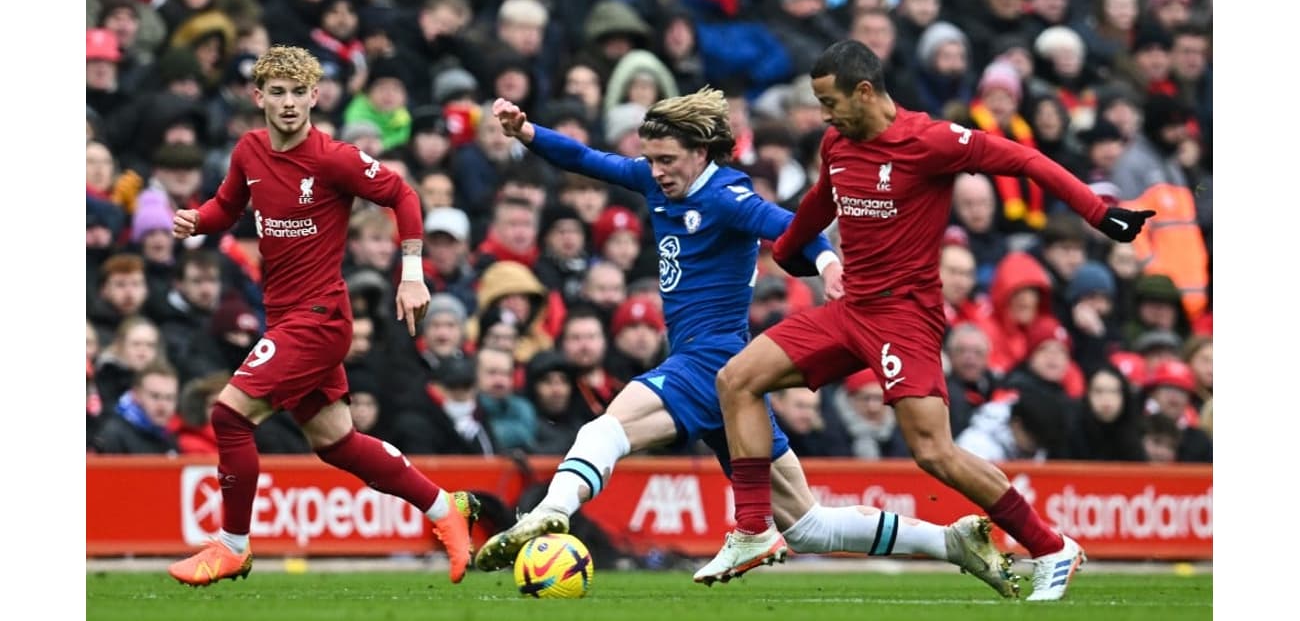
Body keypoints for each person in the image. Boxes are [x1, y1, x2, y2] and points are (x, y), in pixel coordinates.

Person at [473, 88, 1019, 599]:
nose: (656, 171)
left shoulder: (728, 194)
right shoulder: (653, 181)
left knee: (604, 429)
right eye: (652, 159)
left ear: (702, 151)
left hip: (707, 360)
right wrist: (528, 133)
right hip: (728, 377)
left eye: (667, 160)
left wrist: (827, 262)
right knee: (807, 526)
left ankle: (551, 510)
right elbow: (587, 160)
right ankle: (951, 541)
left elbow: (787, 227)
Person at [700, 40, 1156, 601]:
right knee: (736, 379)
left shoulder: (930, 141)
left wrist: (1097, 210)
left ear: (864, 91)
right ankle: (752, 530)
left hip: (904, 316)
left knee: (934, 453)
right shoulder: (838, 143)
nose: (824, 114)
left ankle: (1051, 546)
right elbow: (824, 199)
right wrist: (793, 248)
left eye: (829, 101)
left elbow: (1023, 159)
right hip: (849, 310)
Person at [165, 45, 477, 587]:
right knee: (339, 444)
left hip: (320, 318)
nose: (288, 104)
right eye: (277, 93)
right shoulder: (248, 150)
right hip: (284, 317)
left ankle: (232, 546)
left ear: (316, 96)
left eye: (298, 93)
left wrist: (410, 271)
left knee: (229, 416)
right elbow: (229, 205)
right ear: (258, 97)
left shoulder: (334, 158)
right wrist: (199, 220)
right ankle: (444, 509)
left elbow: (402, 194)